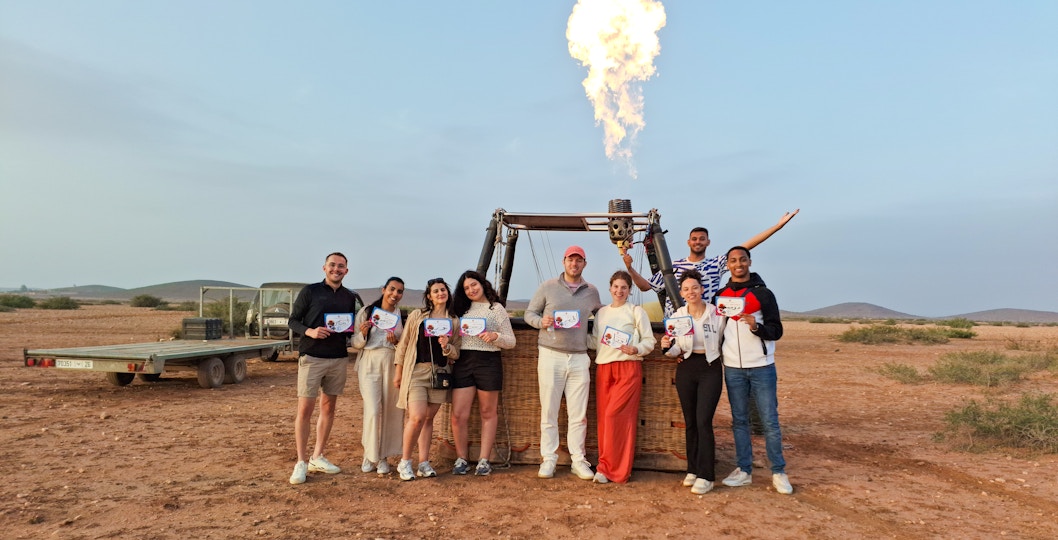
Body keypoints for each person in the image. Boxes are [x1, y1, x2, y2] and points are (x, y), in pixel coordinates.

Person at [715, 246, 793, 495]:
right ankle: (743, 470)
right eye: (733, 260)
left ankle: (778, 471)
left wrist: (756, 326)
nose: (738, 264)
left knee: (770, 421)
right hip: (733, 368)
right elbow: (718, 330)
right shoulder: (721, 295)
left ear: (749, 262)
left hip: (761, 367)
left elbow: (776, 330)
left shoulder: (763, 294)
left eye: (742, 259)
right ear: (727, 264)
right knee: (739, 421)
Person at [621, 210, 799, 316]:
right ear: (688, 242)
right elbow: (645, 286)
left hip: (705, 322)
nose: (698, 242)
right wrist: (630, 268)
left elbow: (745, 246)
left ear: (708, 242)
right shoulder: (672, 266)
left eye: (702, 239)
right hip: (676, 323)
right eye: (694, 239)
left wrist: (777, 226)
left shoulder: (717, 263)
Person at [524, 245, 603, 480]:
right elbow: (529, 314)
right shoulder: (548, 287)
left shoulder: (592, 291)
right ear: (564, 262)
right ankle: (549, 458)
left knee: (579, 414)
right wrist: (542, 322)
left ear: (584, 264)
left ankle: (578, 460)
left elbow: (601, 318)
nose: (574, 264)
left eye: (579, 261)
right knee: (549, 410)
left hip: (579, 357)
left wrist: (592, 340)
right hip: (551, 354)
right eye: (571, 260)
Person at [287, 252, 363, 485]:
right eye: (333, 265)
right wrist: (309, 331)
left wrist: (364, 329)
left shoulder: (350, 297)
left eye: (341, 266)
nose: (336, 269)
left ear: (346, 271)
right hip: (312, 357)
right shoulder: (310, 291)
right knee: (305, 410)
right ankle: (301, 462)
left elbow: (352, 327)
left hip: (338, 358)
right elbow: (293, 320)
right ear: (324, 267)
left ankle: (317, 456)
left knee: (329, 408)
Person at [588, 270, 656, 484]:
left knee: (617, 417)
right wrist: (568, 332)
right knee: (604, 420)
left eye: (624, 287)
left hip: (628, 369)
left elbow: (650, 341)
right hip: (604, 369)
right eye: (616, 287)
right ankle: (604, 467)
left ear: (629, 290)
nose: (619, 291)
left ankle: (617, 469)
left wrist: (636, 349)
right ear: (610, 288)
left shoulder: (636, 312)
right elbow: (595, 342)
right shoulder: (602, 313)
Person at [661, 269, 725, 495]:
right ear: (681, 292)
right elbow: (678, 348)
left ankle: (707, 475)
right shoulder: (679, 316)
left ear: (703, 289)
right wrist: (668, 347)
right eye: (686, 289)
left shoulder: (717, 313)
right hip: (687, 368)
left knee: (703, 421)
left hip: (710, 368)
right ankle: (693, 469)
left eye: (695, 288)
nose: (691, 292)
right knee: (690, 422)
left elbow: (727, 339)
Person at [393, 277, 461, 481]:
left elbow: (456, 353)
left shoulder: (454, 321)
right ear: (429, 296)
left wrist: (447, 346)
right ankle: (405, 462)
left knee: (429, 418)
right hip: (417, 373)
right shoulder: (417, 316)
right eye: (436, 291)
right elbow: (404, 345)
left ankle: (423, 462)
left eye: (443, 290)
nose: (440, 293)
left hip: (440, 375)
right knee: (417, 417)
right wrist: (398, 372)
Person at [449, 270, 516, 476]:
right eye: (466, 288)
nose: (471, 290)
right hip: (464, 361)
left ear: (482, 283)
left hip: (489, 361)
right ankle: (461, 459)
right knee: (459, 414)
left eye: (474, 285)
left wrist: (495, 336)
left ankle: (484, 461)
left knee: (488, 413)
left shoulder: (496, 309)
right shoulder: (460, 309)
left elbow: (511, 341)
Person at [350, 277, 405, 476]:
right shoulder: (366, 312)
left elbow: (403, 345)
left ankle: (384, 457)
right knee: (372, 409)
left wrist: (396, 341)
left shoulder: (401, 315)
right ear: (383, 289)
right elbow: (355, 342)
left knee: (392, 410)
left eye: (399, 291)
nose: (395, 294)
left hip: (391, 361)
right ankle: (369, 454)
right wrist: (363, 334)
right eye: (392, 289)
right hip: (369, 361)